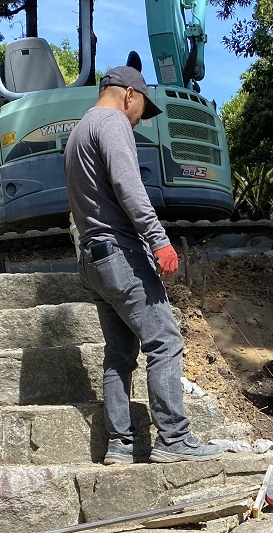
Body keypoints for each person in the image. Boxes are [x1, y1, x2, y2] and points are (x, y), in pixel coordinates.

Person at [65, 65, 221, 465]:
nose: (138, 120)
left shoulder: (79, 131)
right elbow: (128, 186)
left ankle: (120, 444)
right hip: (121, 253)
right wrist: (159, 240)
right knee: (164, 341)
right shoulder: (113, 122)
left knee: (119, 354)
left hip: (92, 257)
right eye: (141, 110)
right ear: (128, 95)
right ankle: (174, 440)